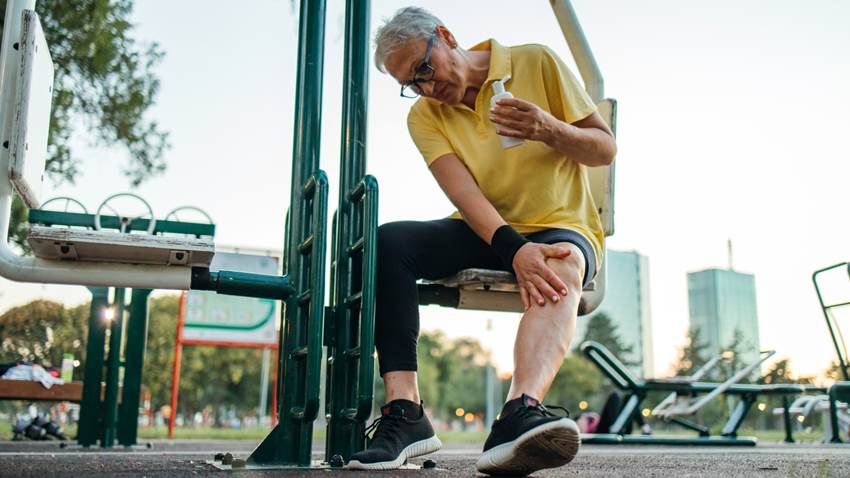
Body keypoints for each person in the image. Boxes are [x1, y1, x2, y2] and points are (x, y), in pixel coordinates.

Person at [345, 6, 616, 475]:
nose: (427, 88)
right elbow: (464, 193)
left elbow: (604, 147)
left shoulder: (536, 61)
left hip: (559, 222)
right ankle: (406, 413)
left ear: (446, 36)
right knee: (387, 243)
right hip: (489, 228)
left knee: (562, 262)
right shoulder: (424, 116)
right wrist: (514, 250)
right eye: (413, 84)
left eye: (424, 69)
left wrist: (547, 128)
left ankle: (519, 411)